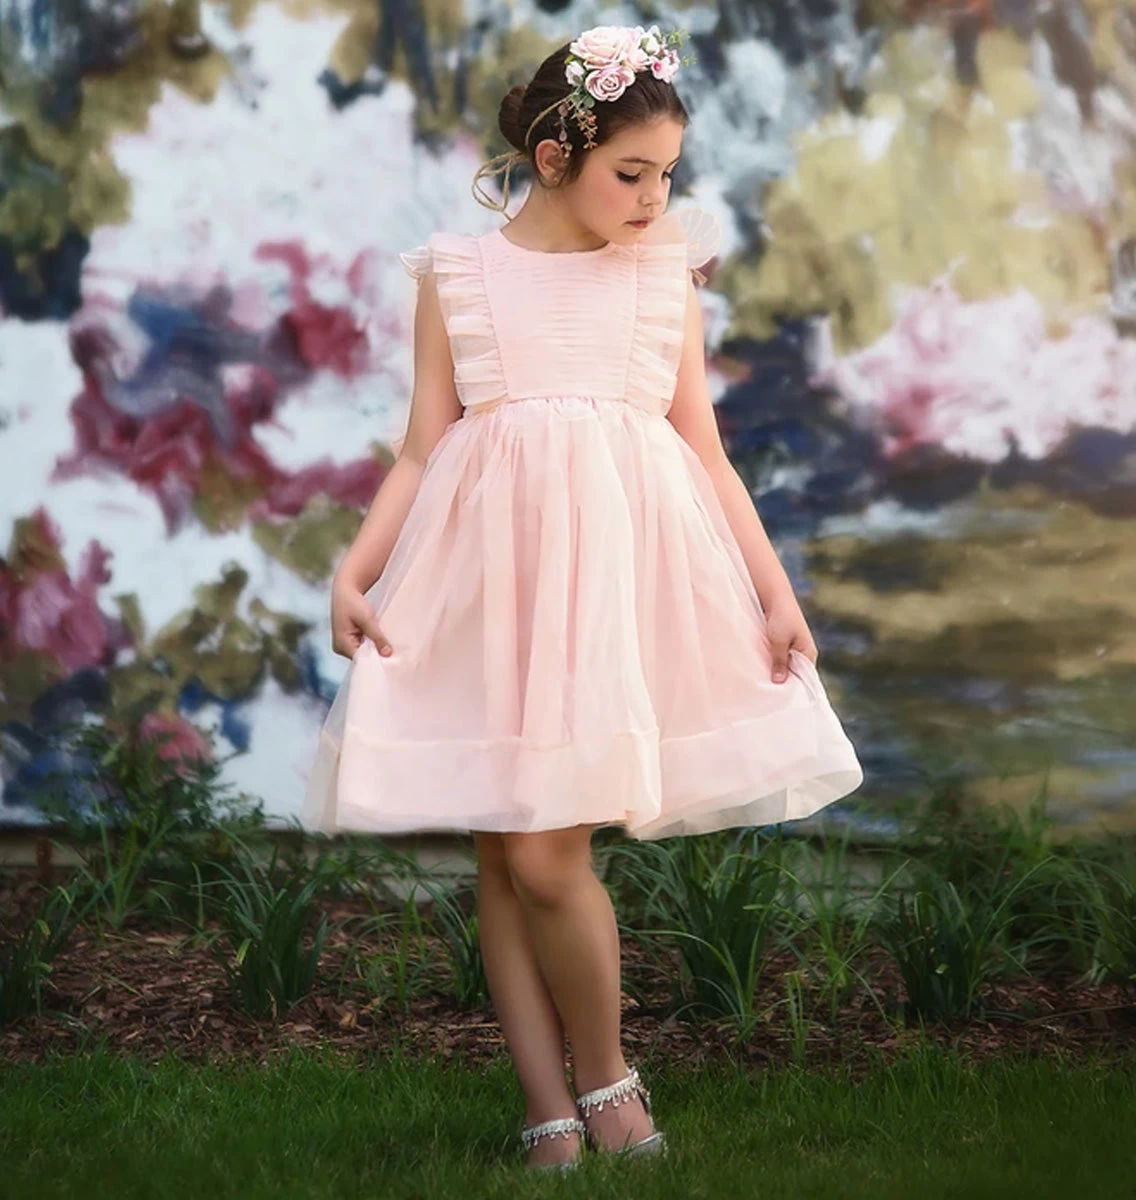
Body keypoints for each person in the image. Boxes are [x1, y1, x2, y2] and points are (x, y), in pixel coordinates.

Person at [303, 23, 864, 1174]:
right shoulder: (460, 276)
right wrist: (356, 569)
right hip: (489, 587)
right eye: (632, 173)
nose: (655, 200)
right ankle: (546, 1110)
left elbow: (706, 453)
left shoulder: (660, 278)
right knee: (505, 854)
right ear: (557, 156)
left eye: (667, 175)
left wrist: (775, 594)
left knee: (550, 858)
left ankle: (607, 1079)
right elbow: (422, 447)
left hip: (607, 591)